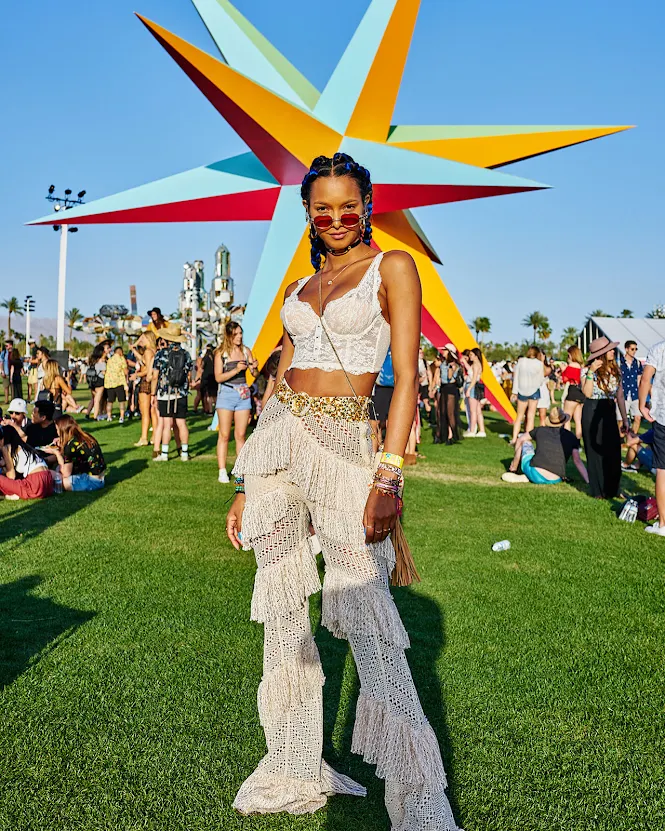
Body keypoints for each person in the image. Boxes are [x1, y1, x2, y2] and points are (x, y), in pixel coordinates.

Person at [225, 153, 460, 828]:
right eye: (320, 207)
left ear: (366, 205)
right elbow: (279, 379)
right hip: (279, 442)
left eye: (346, 205)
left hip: (348, 452)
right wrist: (246, 481)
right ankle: (294, 763)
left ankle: (417, 799)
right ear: (308, 213)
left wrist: (389, 473)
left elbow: (407, 379)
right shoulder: (300, 286)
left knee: (367, 617)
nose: (334, 218)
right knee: (283, 620)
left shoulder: (392, 268)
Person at [581, 337, 629, 499]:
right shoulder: (587, 370)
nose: (613, 351)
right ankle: (598, 491)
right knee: (594, 452)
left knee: (613, 451)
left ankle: (614, 489)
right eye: (610, 349)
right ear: (601, 354)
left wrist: (625, 418)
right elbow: (587, 393)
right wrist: (590, 372)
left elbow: (620, 396)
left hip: (609, 411)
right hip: (591, 410)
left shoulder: (616, 370)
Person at [214, 322, 259, 482]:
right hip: (226, 393)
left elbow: (254, 374)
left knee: (240, 435)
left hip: (243, 394)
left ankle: (240, 471)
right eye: (236, 334)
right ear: (229, 335)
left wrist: (254, 368)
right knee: (224, 434)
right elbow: (218, 377)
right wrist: (236, 370)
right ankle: (222, 470)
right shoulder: (221, 353)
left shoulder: (246, 351)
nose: (239, 337)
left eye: (240, 333)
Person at [502, 406, 589, 485]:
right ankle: (528, 477)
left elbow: (520, 440)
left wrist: (516, 460)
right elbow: (577, 461)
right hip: (556, 478)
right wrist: (588, 480)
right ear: (564, 421)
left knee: (525, 443)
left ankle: (513, 469)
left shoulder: (540, 430)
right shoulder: (571, 437)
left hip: (535, 472)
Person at [151, 325, 192, 462]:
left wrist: (153, 394)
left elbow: (155, 376)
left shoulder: (161, 354)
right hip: (181, 392)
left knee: (166, 424)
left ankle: (165, 453)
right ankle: (185, 453)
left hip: (165, 393)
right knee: (181, 423)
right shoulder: (186, 354)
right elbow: (189, 375)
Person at [638, 337, 665, 535]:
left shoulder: (658, 349)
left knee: (663, 472)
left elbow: (646, 378)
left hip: (662, 416)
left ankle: (663, 524)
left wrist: (641, 404)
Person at [45, 415, 107, 492]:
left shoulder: (70, 445)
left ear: (62, 430)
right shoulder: (85, 436)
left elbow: (65, 474)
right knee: (58, 468)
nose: (57, 433)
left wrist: (57, 453)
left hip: (91, 481)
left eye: (57, 429)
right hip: (100, 478)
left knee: (53, 475)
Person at [0, 425, 54, 500]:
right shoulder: (24, 446)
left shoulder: (6, 448)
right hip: (48, 481)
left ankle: (16, 494)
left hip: (35, 482)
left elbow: (11, 476)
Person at [510, 346, 545, 444]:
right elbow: (541, 380)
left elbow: (516, 377)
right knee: (531, 416)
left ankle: (514, 439)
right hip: (534, 390)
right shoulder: (539, 364)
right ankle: (527, 439)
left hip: (522, 390)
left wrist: (514, 391)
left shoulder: (521, 361)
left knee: (519, 416)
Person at [132, 330, 157, 446]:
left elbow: (147, 369)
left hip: (145, 382)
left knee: (145, 411)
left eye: (143, 339)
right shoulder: (153, 351)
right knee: (153, 411)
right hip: (153, 383)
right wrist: (134, 349)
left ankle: (143, 437)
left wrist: (136, 375)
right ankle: (154, 436)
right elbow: (145, 362)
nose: (141, 341)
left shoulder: (147, 351)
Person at [437, 345, 463, 444]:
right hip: (444, 388)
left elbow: (449, 377)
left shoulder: (453, 364)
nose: (443, 351)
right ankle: (444, 435)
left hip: (451, 388)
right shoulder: (443, 363)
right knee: (442, 412)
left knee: (450, 412)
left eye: (445, 350)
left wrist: (451, 368)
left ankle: (452, 435)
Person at [619, 340, 643, 434]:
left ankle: (632, 439)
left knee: (638, 417)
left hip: (635, 394)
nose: (634, 351)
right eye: (632, 349)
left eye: (635, 349)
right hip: (623, 394)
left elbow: (639, 380)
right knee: (621, 420)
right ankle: (621, 441)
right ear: (626, 349)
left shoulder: (637, 363)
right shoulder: (619, 362)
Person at [561, 345, 585, 439]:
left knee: (567, 418)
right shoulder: (581, 367)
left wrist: (563, 370)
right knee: (578, 420)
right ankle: (578, 442)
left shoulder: (570, 366)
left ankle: (568, 440)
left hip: (572, 391)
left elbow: (565, 379)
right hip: (580, 393)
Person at [464, 347, 486, 437]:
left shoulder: (475, 365)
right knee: (477, 410)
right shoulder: (478, 364)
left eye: (471, 355)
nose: (470, 357)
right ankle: (482, 430)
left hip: (472, 386)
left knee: (473, 410)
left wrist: (469, 389)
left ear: (476, 356)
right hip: (476, 386)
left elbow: (474, 378)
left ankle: (472, 430)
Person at [104, 346, 129, 423]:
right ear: (120, 352)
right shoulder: (121, 359)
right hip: (119, 382)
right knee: (121, 401)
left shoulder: (109, 360)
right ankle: (121, 417)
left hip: (109, 383)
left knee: (110, 401)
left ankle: (109, 416)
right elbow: (125, 372)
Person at [85, 342, 110, 420]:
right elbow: (104, 372)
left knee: (93, 399)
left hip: (92, 381)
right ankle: (95, 416)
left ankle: (87, 414)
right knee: (97, 399)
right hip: (99, 381)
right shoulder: (101, 361)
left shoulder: (92, 360)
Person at [536, 351, 552, 426]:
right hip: (532, 389)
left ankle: (542, 432)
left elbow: (544, 373)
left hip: (542, 391)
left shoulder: (547, 367)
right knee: (529, 415)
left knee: (542, 416)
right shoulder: (533, 365)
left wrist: (541, 362)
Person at [1, 339, 13, 404]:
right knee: (6, 387)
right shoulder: (4, 353)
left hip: (13, 373)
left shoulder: (14, 352)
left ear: (11, 345)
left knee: (12, 388)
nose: (6, 347)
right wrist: (2, 371)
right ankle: (6, 400)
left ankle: (12, 400)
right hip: (6, 372)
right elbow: (1, 362)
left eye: (7, 345)